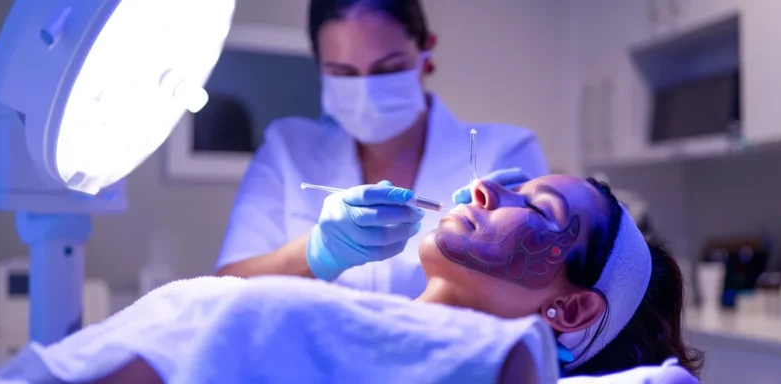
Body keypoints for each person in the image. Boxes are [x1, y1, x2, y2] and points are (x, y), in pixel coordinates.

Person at [0, 175, 700, 383]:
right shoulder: (377, 329)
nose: (483, 189)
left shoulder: (492, 360)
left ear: (569, 310)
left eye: (535, 204)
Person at [215, 0, 549, 299]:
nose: (367, 93)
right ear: (319, 67)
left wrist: (513, 248)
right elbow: (221, 289)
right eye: (343, 73)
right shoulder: (288, 149)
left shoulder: (505, 151)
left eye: (388, 70)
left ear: (426, 56)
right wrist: (318, 250)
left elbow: (546, 295)